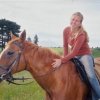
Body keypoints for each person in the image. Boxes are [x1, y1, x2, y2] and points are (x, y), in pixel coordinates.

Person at [52, 12, 100, 100]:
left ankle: (98, 96)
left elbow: (74, 52)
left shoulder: (81, 34)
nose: (74, 22)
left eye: (77, 21)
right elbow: (65, 46)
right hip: (74, 55)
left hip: (84, 55)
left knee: (91, 76)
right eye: (73, 19)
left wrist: (61, 60)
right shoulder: (66, 30)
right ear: (70, 19)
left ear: (80, 23)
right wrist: (65, 59)